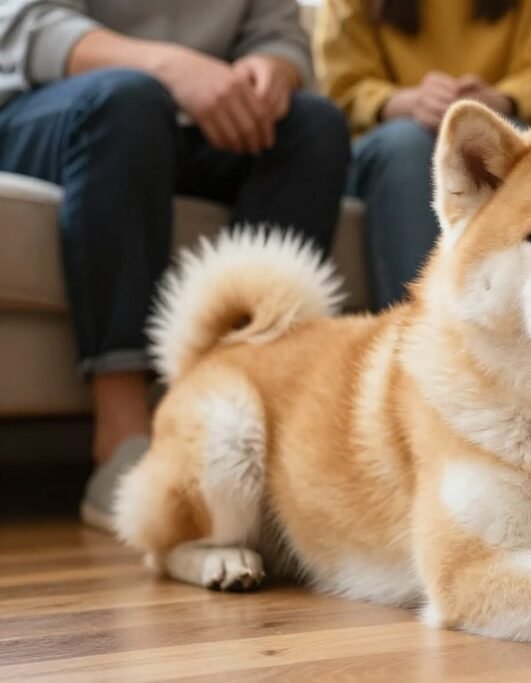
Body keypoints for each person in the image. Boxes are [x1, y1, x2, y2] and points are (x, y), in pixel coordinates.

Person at [0, 0, 351, 531]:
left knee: (314, 125)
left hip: (196, 124)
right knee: (130, 100)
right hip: (58, 108)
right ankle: (122, 436)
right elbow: (27, 25)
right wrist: (172, 67)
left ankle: (226, 419)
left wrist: (273, 70)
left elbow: (280, 33)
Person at [315, 0, 531, 310]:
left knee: (512, 149)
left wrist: (497, 100)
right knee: (406, 144)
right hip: (390, 139)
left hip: (500, 123)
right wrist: (408, 102)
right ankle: (416, 323)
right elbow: (342, 87)